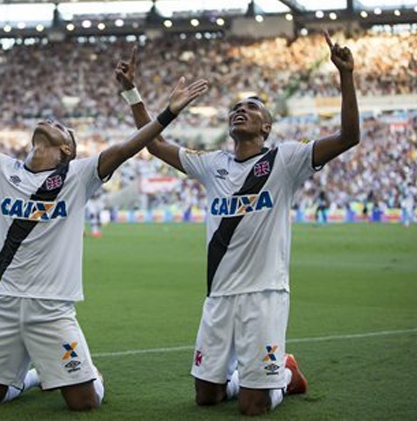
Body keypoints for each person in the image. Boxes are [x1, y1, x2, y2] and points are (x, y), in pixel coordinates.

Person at [0, 55, 209, 411]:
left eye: (59, 126)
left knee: (84, 402)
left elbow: (128, 147)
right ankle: (34, 376)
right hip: (5, 304)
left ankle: (91, 374)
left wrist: (166, 111)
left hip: (52, 309)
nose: (49, 122)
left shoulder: (79, 176)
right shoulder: (2, 169)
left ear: (66, 149)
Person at [117, 32, 359, 415]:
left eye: (251, 108)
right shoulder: (213, 164)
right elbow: (155, 145)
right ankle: (252, 377)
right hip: (219, 296)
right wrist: (133, 93)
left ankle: (285, 375)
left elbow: (348, 137)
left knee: (253, 407)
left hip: (264, 294)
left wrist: (346, 76)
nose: (239, 111)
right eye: (235, 109)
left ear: (267, 128)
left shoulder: (286, 160)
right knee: (206, 397)